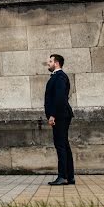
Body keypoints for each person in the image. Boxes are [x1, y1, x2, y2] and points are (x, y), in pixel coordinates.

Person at [44, 53, 75, 186]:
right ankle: (69, 176)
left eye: (50, 61)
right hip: (62, 114)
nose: (48, 63)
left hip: (60, 115)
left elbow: (60, 98)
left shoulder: (60, 76)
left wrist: (53, 115)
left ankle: (63, 176)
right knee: (64, 146)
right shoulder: (57, 77)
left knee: (61, 146)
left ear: (56, 63)